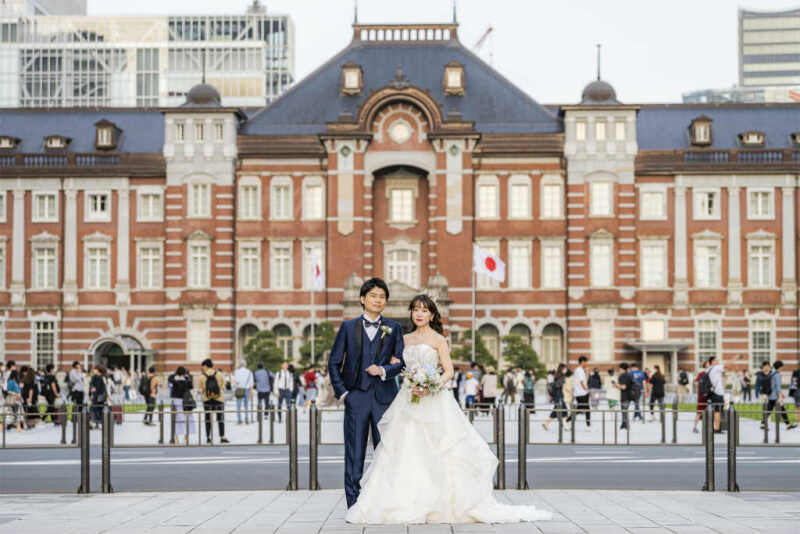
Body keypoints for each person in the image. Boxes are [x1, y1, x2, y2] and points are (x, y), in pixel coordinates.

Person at [345, 293, 551, 524]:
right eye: (415, 309)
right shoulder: (403, 338)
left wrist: (431, 385)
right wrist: (388, 370)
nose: (419, 314)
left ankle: (441, 503)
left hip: (433, 399)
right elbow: (397, 365)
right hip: (408, 397)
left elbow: (449, 371)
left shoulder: (439, 340)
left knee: (439, 449)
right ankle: (404, 501)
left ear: (432, 315)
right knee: (404, 448)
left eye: (424, 310)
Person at [328, 278, 405, 511]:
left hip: (385, 399)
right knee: (354, 453)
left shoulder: (394, 328)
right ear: (362, 299)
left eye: (382, 297)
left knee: (386, 452)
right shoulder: (348, 327)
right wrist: (343, 393)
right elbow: (334, 363)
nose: (378, 300)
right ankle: (354, 504)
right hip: (357, 398)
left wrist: (383, 370)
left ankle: (385, 502)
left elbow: (401, 362)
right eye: (373, 295)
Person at [198, 358, 229, 444]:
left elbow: (200, 389)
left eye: (203, 366)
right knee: (220, 418)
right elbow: (223, 386)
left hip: (207, 400)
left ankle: (208, 437)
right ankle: (222, 437)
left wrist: (204, 392)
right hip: (219, 399)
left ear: (205, 366)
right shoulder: (219, 374)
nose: (202, 368)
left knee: (208, 419)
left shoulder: (202, 376)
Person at [761, 360, 797, 431]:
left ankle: (787, 424)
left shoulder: (772, 372)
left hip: (771, 394)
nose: (782, 368)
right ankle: (787, 425)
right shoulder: (777, 374)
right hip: (775, 396)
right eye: (782, 367)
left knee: (774, 409)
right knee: (778, 409)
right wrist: (780, 396)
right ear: (779, 367)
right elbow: (778, 386)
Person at [169, 366, 195, 445]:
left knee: (176, 420)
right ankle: (185, 438)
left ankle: (176, 438)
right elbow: (191, 386)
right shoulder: (187, 381)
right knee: (187, 420)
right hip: (186, 403)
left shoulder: (175, 381)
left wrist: (175, 374)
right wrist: (187, 376)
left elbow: (169, 378)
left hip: (176, 402)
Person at [541, 363, 567, 431]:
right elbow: (558, 385)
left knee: (557, 410)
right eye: (565, 368)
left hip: (557, 394)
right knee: (563, 409)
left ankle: (546, 424)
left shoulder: (557, 374)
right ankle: (565, 426)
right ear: (562, 368)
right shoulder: (562, 375)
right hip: (559, 394)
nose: (566, 369)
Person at [707, 356, 725, 433]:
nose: (718, 361)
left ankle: (717, 427)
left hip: (713, 393)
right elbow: (727, 365)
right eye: (716, 360)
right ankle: (717, 428)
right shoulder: (716, 368)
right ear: (712, 362)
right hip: (718, 393)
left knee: (716, 411)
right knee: (718, 411)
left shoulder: (709, 369)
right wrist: (736, 358)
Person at [691, 359, 710, 433]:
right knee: (700, 412)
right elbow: (696, 382)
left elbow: (696, 383)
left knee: (706, 412)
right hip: (703, 395)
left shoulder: (708, 373)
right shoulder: (702, 373)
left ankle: (706, 427)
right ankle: (695, 427)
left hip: (706, 395)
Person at [572, 356, 590, 427]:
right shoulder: (579, 370)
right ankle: (588, 426)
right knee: (584, 409)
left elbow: (585, 381)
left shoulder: (581, 370)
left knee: (582, 409)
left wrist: (587, 372)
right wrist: (586, 389)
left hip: (581, 393)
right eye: (586, 362)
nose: (586, 364)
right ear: (582, 362)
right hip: (581, 393)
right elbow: (581, 382)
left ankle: (588, 425)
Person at [88, 365, 107, 429]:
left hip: (100, 396)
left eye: (95, 369)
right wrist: (90, 393)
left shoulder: (103, 377)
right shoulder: (93, 377)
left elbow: (103, 388)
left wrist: (95, 389)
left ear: (98, 370)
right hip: (95, 396)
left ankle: (98, 423)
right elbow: (91, 385)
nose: (94, 370)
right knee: (93, 409)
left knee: (99, 409)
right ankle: (92, 422)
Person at [617, 363, 633, 430]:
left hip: (625, 396)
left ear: (623, 369)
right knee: (624, 411)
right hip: (628, 396)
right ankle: (624, 424)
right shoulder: (630, 375)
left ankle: (625, 425)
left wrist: (616, 385)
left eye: (620, 369)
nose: (619, 370)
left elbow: (623, 387)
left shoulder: (623, 376)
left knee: (624, 411)